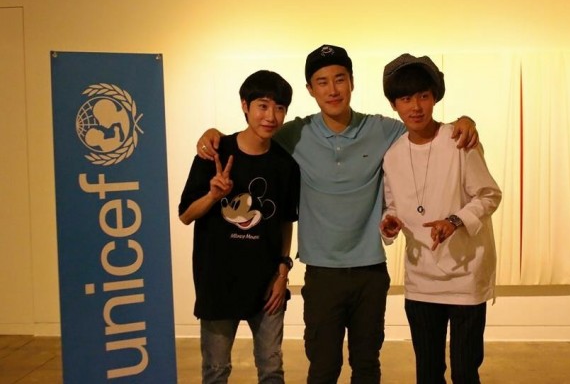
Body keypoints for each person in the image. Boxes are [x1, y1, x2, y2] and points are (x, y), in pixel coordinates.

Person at [196, 44, 479, 383]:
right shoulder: (295, 134)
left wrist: (465, 120)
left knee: (367, 364)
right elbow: (254, 136)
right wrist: (216, 135)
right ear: (310, 89)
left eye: (340, 79)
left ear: (352, 82)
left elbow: (422, 123)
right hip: (322, 272)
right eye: (322, 81)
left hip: (370, 270)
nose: (332, 89)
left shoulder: (382, 129)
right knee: (323, 367)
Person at [379, 54, 502, 384]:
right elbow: (393, 206)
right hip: (421, 281)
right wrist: (390, 222)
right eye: (406, 98)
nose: (416, 106)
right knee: (428, 372)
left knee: (464, 372)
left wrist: (455, 220)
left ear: (434, 97)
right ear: (394, 105)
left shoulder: (459, 141)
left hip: (466, 278)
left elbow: (489, 194)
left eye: (423, 96)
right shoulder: (393, 155)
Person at [179, 70, 300, 384]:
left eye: (279, 108)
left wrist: (282, 273)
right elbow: (186, 215)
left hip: (267, 285)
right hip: (218, 282)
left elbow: (286, 221)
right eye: (262, 106)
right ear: (245, 105)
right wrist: (213, 195)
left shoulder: (286, 165)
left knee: (272, 370)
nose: (271, 116)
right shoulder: (213, 153)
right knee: (216, 370)